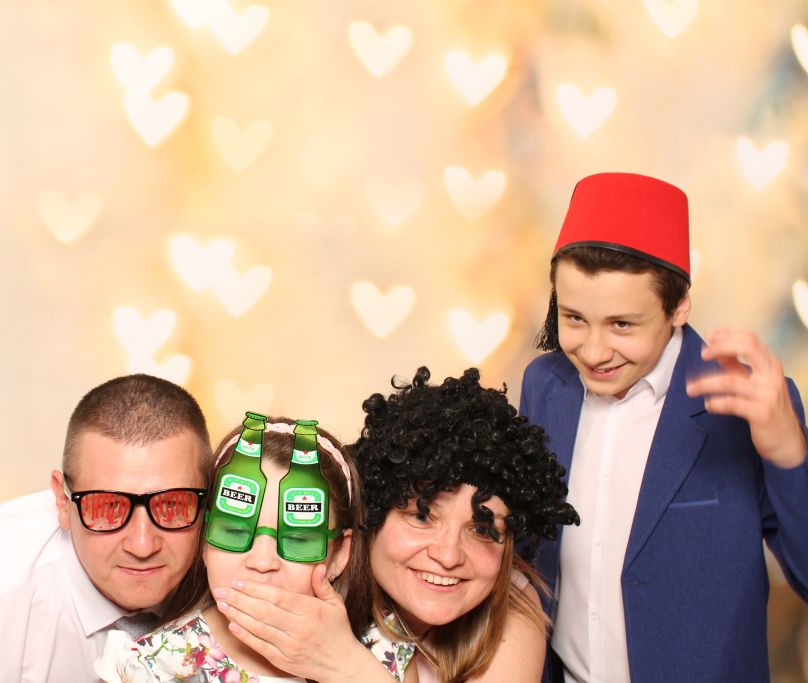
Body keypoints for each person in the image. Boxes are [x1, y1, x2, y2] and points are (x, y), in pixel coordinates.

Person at [520, 171, 808, 682]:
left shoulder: (748, 403)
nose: (593, 350)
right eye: (574, 318)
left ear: (679, 306)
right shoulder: (545, 386)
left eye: (622, 324)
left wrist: (789, 455)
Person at [208, 368, 579, 682]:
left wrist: (345, 664)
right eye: (422, 516)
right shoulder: (298, 575)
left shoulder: (511, 607)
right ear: (373, 512)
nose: (448, 556)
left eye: (481, 528)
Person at [0, 374, 213, 682]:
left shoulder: (235, 573)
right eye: (108, 507)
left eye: (173, 504)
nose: (142, 545)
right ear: (63, 502)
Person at [95, 413, 368, 682]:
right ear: (204, 540)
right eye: (235, 531)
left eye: (297, 539)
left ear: (339, 554)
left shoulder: (376, 655)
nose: (262, 562)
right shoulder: (149, 669)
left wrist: (350, 667)